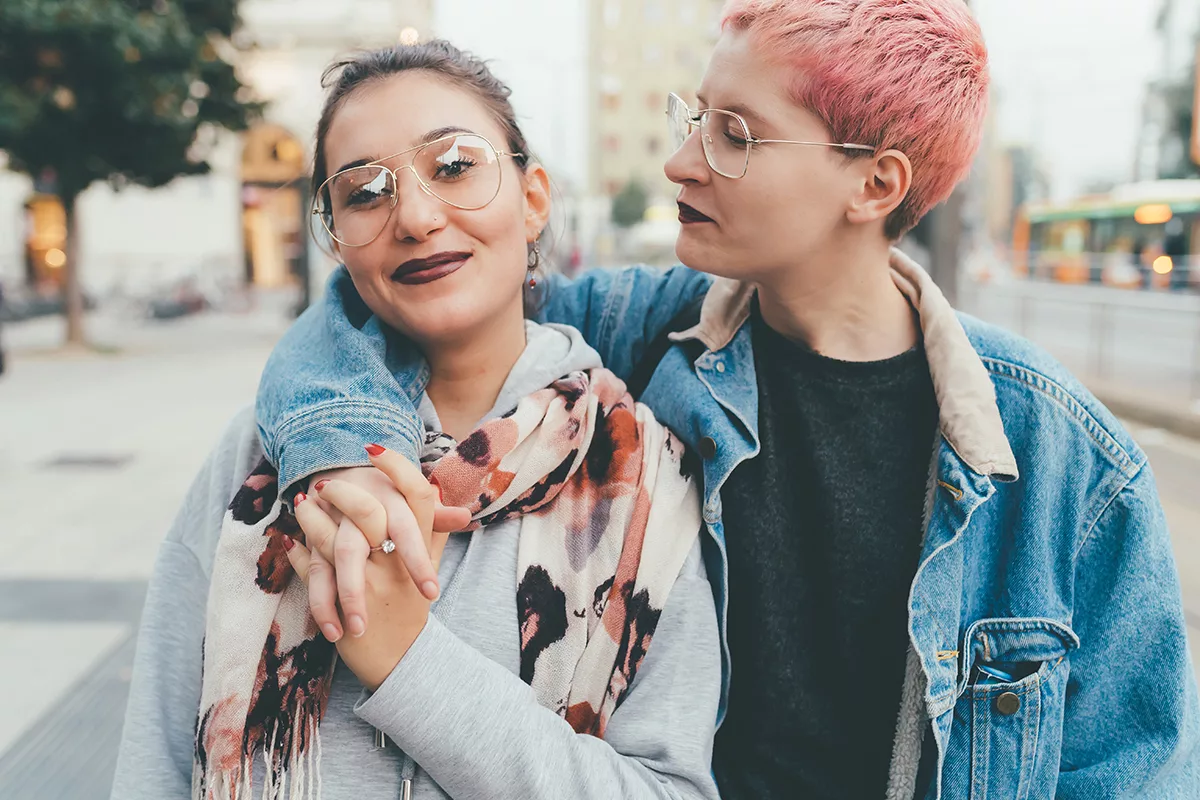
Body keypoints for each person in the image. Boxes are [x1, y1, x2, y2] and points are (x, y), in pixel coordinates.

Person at [251, 1, 1200, 798]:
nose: (683, 161)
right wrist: (341, 451)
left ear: (874, 183)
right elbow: (375, 300)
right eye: (694, 117)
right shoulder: (643, 333)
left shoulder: (1061, 459)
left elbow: (1137, 771)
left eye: (735, 135)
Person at [111, 41, 721, 800]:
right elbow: (156, 765)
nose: (416, 217)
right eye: (365, 191)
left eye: (456, 166)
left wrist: (410, 662)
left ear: (533, 199)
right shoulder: (262, 462)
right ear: (335, 237)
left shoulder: (642, 474)